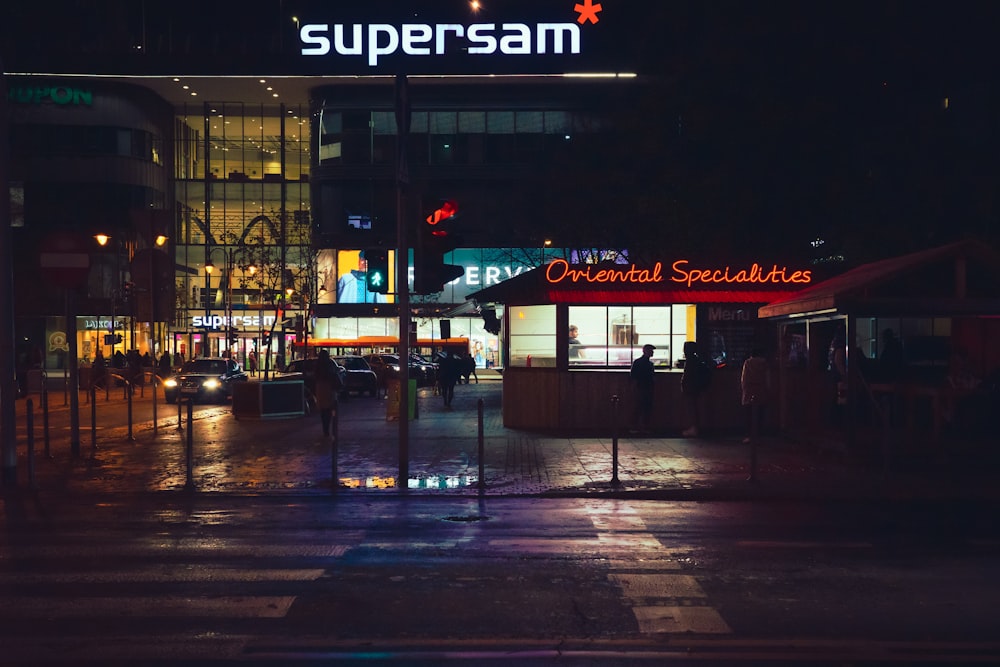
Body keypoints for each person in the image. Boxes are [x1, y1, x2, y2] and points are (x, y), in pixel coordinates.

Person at [740, 347, 770, 444]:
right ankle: (759, 435)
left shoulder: (748, 363)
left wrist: (744, 389)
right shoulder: (765, 363)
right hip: (762, 389)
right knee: (760, 413)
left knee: (749, 413)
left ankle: (750, 435)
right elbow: (768, 378)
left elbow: (743, 379)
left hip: (749, 390)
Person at [681, 341, 711, 437]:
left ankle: (694, 428)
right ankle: (695, 428)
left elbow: (688, 376)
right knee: (694, 408)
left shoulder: (690, 361)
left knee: (692, 408)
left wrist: (684, 385)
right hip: (696, 388)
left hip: (691, 388)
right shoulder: (697, 360)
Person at [314, 350, 343, 440]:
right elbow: (334, 375)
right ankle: (328, 426)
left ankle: (325, 428)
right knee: (330, 408)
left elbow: (315, 376)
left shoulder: (318, 365)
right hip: (329, 388)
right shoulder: (330, 364)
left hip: (320, 388)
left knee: (323, 410)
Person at [629, 343, 656, 433]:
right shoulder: (649, 364)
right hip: (645, 387)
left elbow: (633, 376)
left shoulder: (637, 362)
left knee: (639, 407)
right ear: (645, 351)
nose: (652, 352)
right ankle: (643, 426)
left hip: (641, 387)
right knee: (644, 407)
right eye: (650, 350)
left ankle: (635, 426)